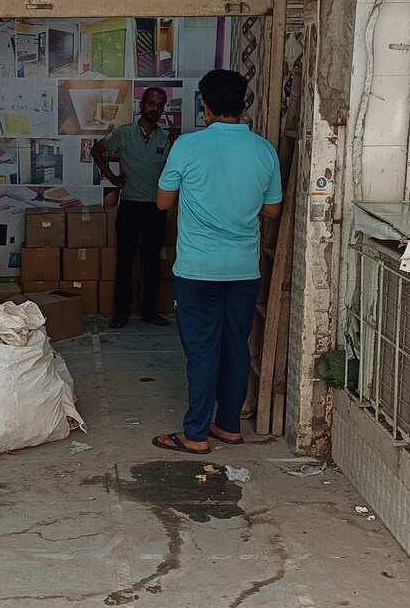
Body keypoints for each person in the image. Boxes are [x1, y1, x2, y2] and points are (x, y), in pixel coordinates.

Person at [153, 67, 282, 455]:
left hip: (198, 271)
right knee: (236, 346)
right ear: (243, 106)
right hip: (243, 270)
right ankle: (228, 426)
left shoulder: (188, 147)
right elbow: (272, 210)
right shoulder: (264, 150)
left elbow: (162, 201)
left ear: (205, 108)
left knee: (203, 351)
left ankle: (194, 433)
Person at [91, 86, 178, 329]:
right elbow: (96, 151)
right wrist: (112, 177)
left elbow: (175, 170)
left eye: (160, 105)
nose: (155, 109)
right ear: (142, 105)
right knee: (125, 260)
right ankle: (122, 311)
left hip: (156, 207)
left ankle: (149, 310)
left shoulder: (167, 138)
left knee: (152, 261)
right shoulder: (124, 133)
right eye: (151, 103)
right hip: (129, 204)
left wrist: (176, 144)